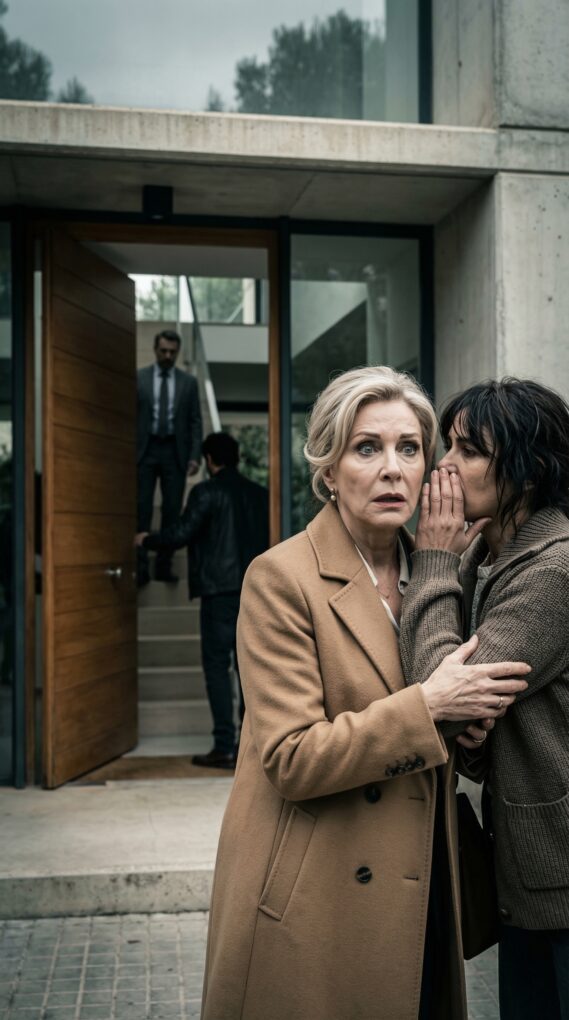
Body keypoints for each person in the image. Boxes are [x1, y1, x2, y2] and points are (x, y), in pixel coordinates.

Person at [200, 367, 529, 1020]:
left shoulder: (440, 573)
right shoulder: (281, 578)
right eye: (366, 448)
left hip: (417, 888)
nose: (391, 469)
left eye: (408, 448)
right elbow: (292, 757)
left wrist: (465, 726)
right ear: (328, 469)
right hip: (317, 896)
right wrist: (429, 708)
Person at [399, 378, 569, 1020]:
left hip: (559, 871)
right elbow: (448, 705)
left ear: (528, 470)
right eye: (447, 444)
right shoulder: (484, 555)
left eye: (468, 450)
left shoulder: (554, 571)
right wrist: (464, 724)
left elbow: (441, 696)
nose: (442, 466)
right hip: (525, 869)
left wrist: (431, 557)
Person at [137, 431, 269, 769]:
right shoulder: (260, 495)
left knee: (217, 668)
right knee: (249, 670)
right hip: (256, 592)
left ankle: (224, 746)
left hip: (218, 592)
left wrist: (147, 540)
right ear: (236, 458)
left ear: (209, 460)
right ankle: (250, 747)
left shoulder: (206, 492)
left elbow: (182, 533)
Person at [136, 329, 202, 585]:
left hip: (175, 452)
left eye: (172, 352)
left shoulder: (189, 382)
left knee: (172, 510)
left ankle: (164, 564)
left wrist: (194, 456)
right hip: (145, 449)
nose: (167, 356)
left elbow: (195, 421)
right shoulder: (139, 378)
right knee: (141, 507)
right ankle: (141, 565)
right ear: (155, 349)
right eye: (163, 351)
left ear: (178, 352)